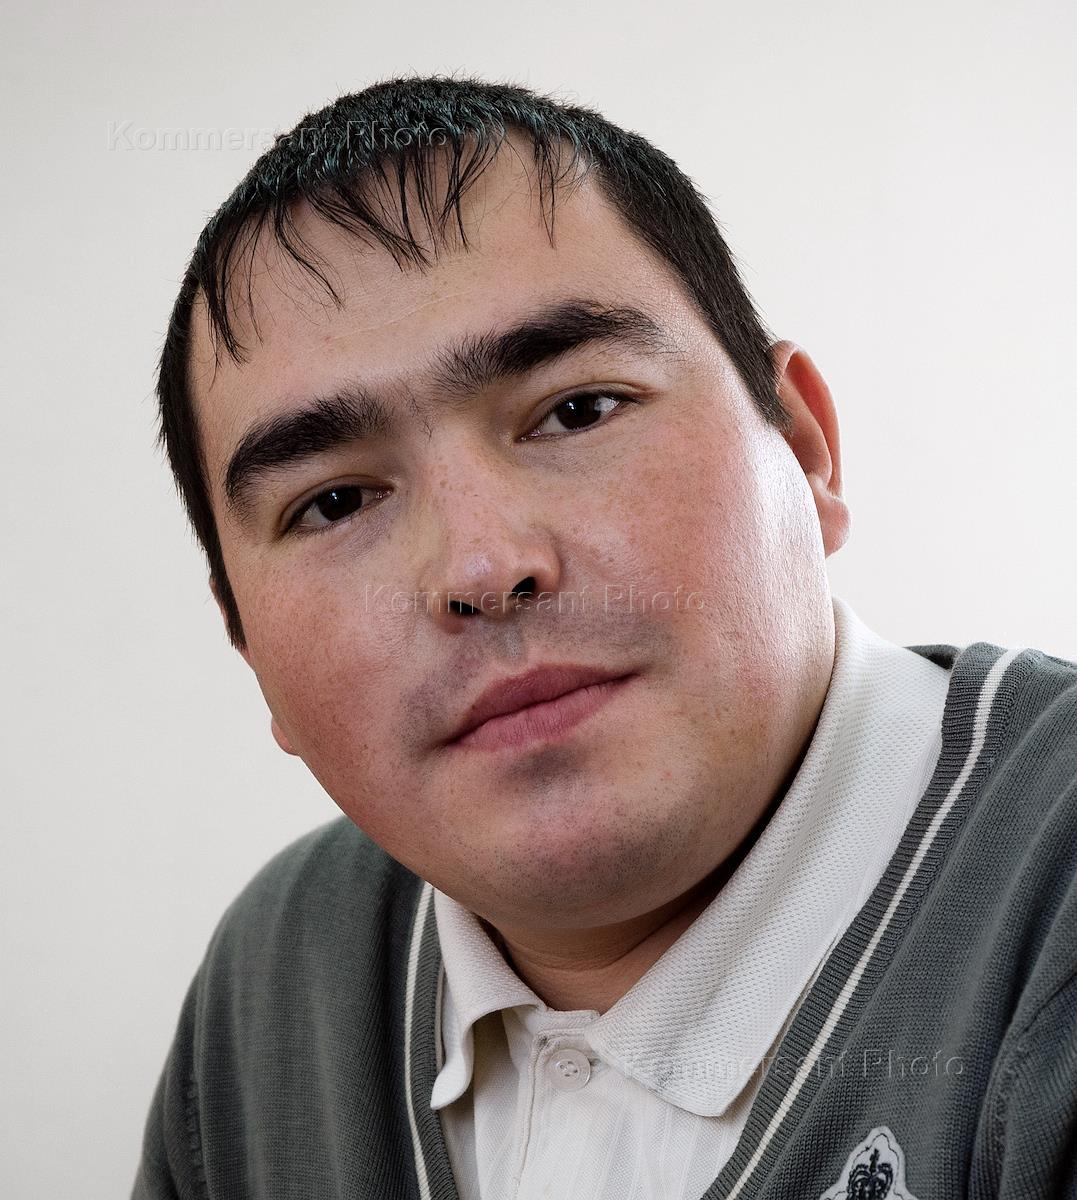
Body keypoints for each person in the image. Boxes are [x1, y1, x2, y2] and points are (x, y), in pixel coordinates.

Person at [133, 76, 1077, 1200]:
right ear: (248, 651)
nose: (482, 567)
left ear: (804, 448)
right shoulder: (275, 988)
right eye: (334, 503)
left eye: (578, 410)